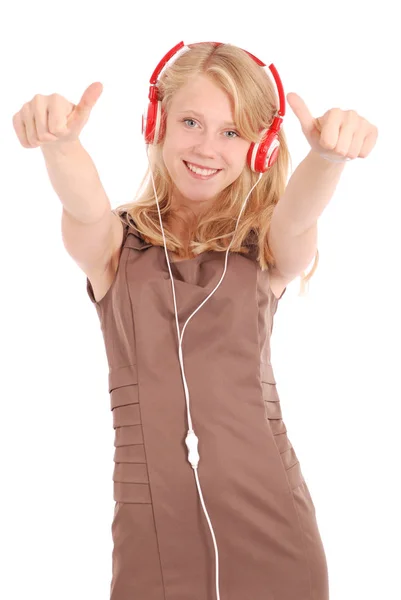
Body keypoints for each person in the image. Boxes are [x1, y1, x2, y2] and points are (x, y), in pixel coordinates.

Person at [12, 40, 378, 600]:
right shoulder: (116, 246)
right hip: (154, 540)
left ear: (257, 148)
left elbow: (300, 219)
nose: (208, 147)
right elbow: (83, 208)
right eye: (191, 121)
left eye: (232, 132)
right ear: (156, 122)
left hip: (274, 530)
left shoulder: (266, 245)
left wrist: (326, 161)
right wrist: (60, 147)